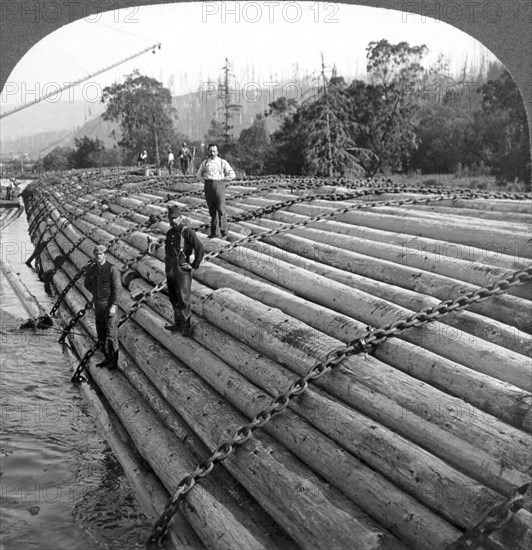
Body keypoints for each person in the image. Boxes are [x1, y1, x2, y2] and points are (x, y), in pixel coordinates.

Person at [152, 205, 204, 337]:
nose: (172, 221)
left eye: (175, 218)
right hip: (170, 268)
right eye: (170, 218)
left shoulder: (187, 232)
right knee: (173, 297)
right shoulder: (170, 233)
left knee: (184, 298)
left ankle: (186, 328)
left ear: (180, 217)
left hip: (182, 269)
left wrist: (193, 265)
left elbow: (199, 248)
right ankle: (178, 324)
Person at [84, 245, 121, 369]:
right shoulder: (93, 268)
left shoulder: (112, 269)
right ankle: (107, 358)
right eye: (96, 254)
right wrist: (96, 292)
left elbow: (117, 289)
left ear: (105, 255)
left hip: (109, 304)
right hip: (98, 304)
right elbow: (87, 283)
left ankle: (113, 362)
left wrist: (114, 305)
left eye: (100, 254)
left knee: (111, 334)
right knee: (101, 333)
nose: (98, 256)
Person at [196, 143, 236, 239]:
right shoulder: (205, 163)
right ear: (208, 152)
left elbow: (232, 174)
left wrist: (223, 180)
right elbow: (198, 175)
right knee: (212, 210)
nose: (213, 153)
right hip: (208, 186)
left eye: (214, 151)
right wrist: (205, 181)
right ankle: (214, 233)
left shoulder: (222, 162)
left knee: (221, 209)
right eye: (211, 151)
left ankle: (224, 232)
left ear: (217, 152)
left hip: (219, 185)